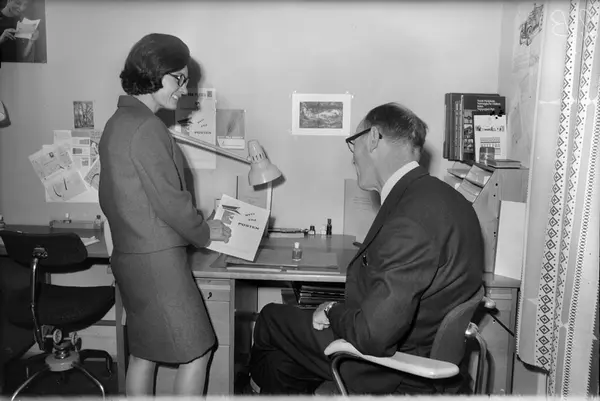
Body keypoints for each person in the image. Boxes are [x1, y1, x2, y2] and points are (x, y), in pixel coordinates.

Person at [249, 102, 484, 395]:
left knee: (270, 318)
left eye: (353, 144)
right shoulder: (444, 197)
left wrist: (332, 309)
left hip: (391, 369)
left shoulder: (411, 217)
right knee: (283, 361)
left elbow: (373, 336)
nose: (353, 157)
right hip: (415, 344)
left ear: (373, 138)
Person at [98, 33, 231, 397]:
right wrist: (207, 231)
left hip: (131, 257)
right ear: (155, 73)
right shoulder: (147, 128)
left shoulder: (118, 122)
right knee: (198, 351)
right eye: (179, 79)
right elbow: (170, 201)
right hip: (158, 263)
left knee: (144, 353)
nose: (184, 90)